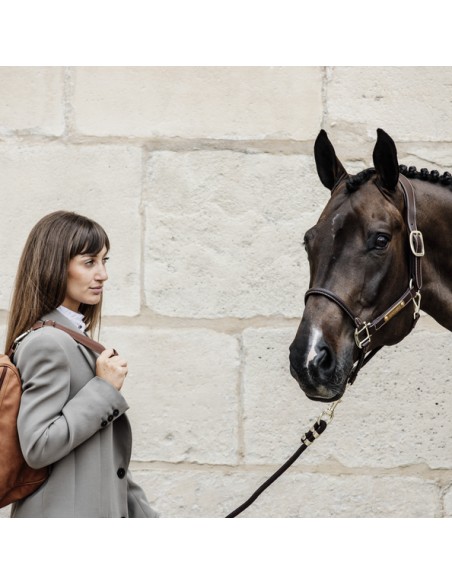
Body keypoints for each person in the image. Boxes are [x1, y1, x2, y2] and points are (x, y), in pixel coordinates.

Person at [5, 210, 158, 518]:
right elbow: (38, 446)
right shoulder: (47, 343)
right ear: (54, 266)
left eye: (104, 261)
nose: (102, 274)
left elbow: (107, 462)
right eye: (89, 262)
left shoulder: (72, 339)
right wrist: (103, 389)